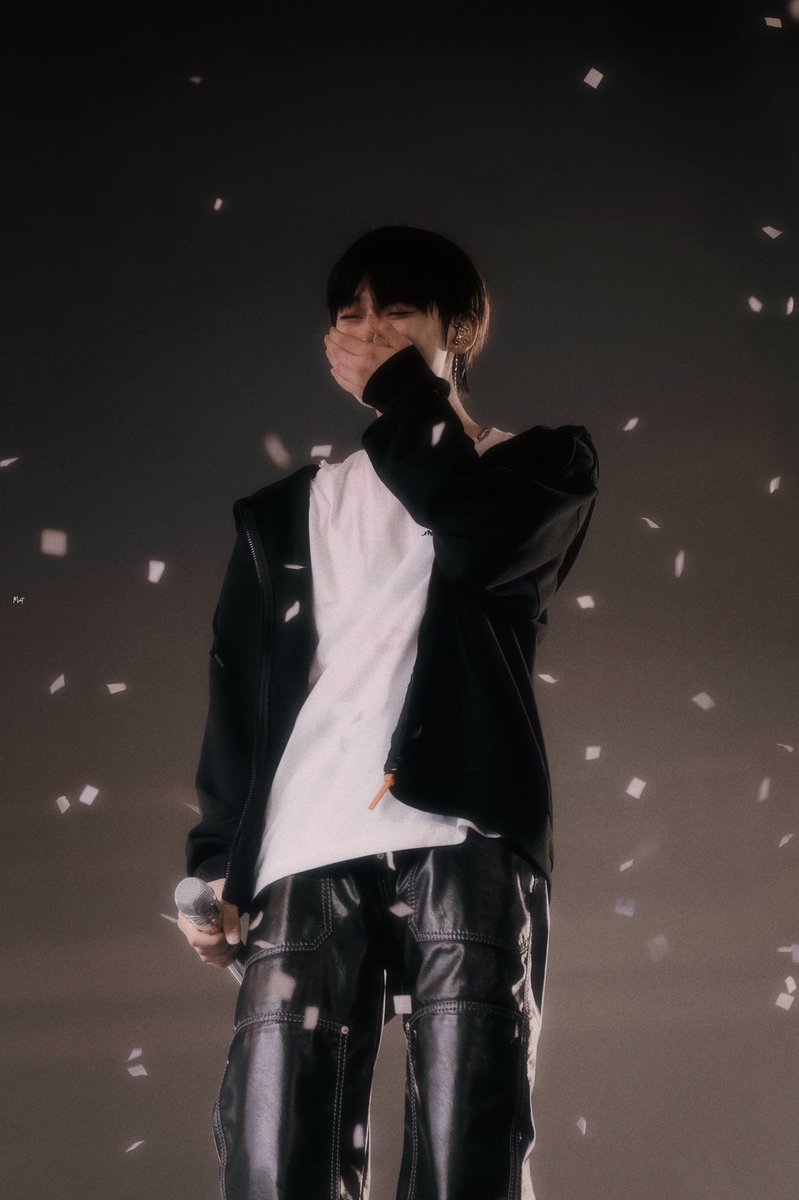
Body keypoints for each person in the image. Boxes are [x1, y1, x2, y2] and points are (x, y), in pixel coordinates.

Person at [177, 224, 599, 1199]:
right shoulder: (285, 513)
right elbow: (242, 692)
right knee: (275, 1151)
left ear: (462, 329)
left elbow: (482, 541)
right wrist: (216, 859)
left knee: (467, 1143)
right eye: (350, 313)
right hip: (302, 847)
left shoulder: (533, 467)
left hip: (464, 834)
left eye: (398, 311)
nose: (368, 329)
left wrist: (403, 395)